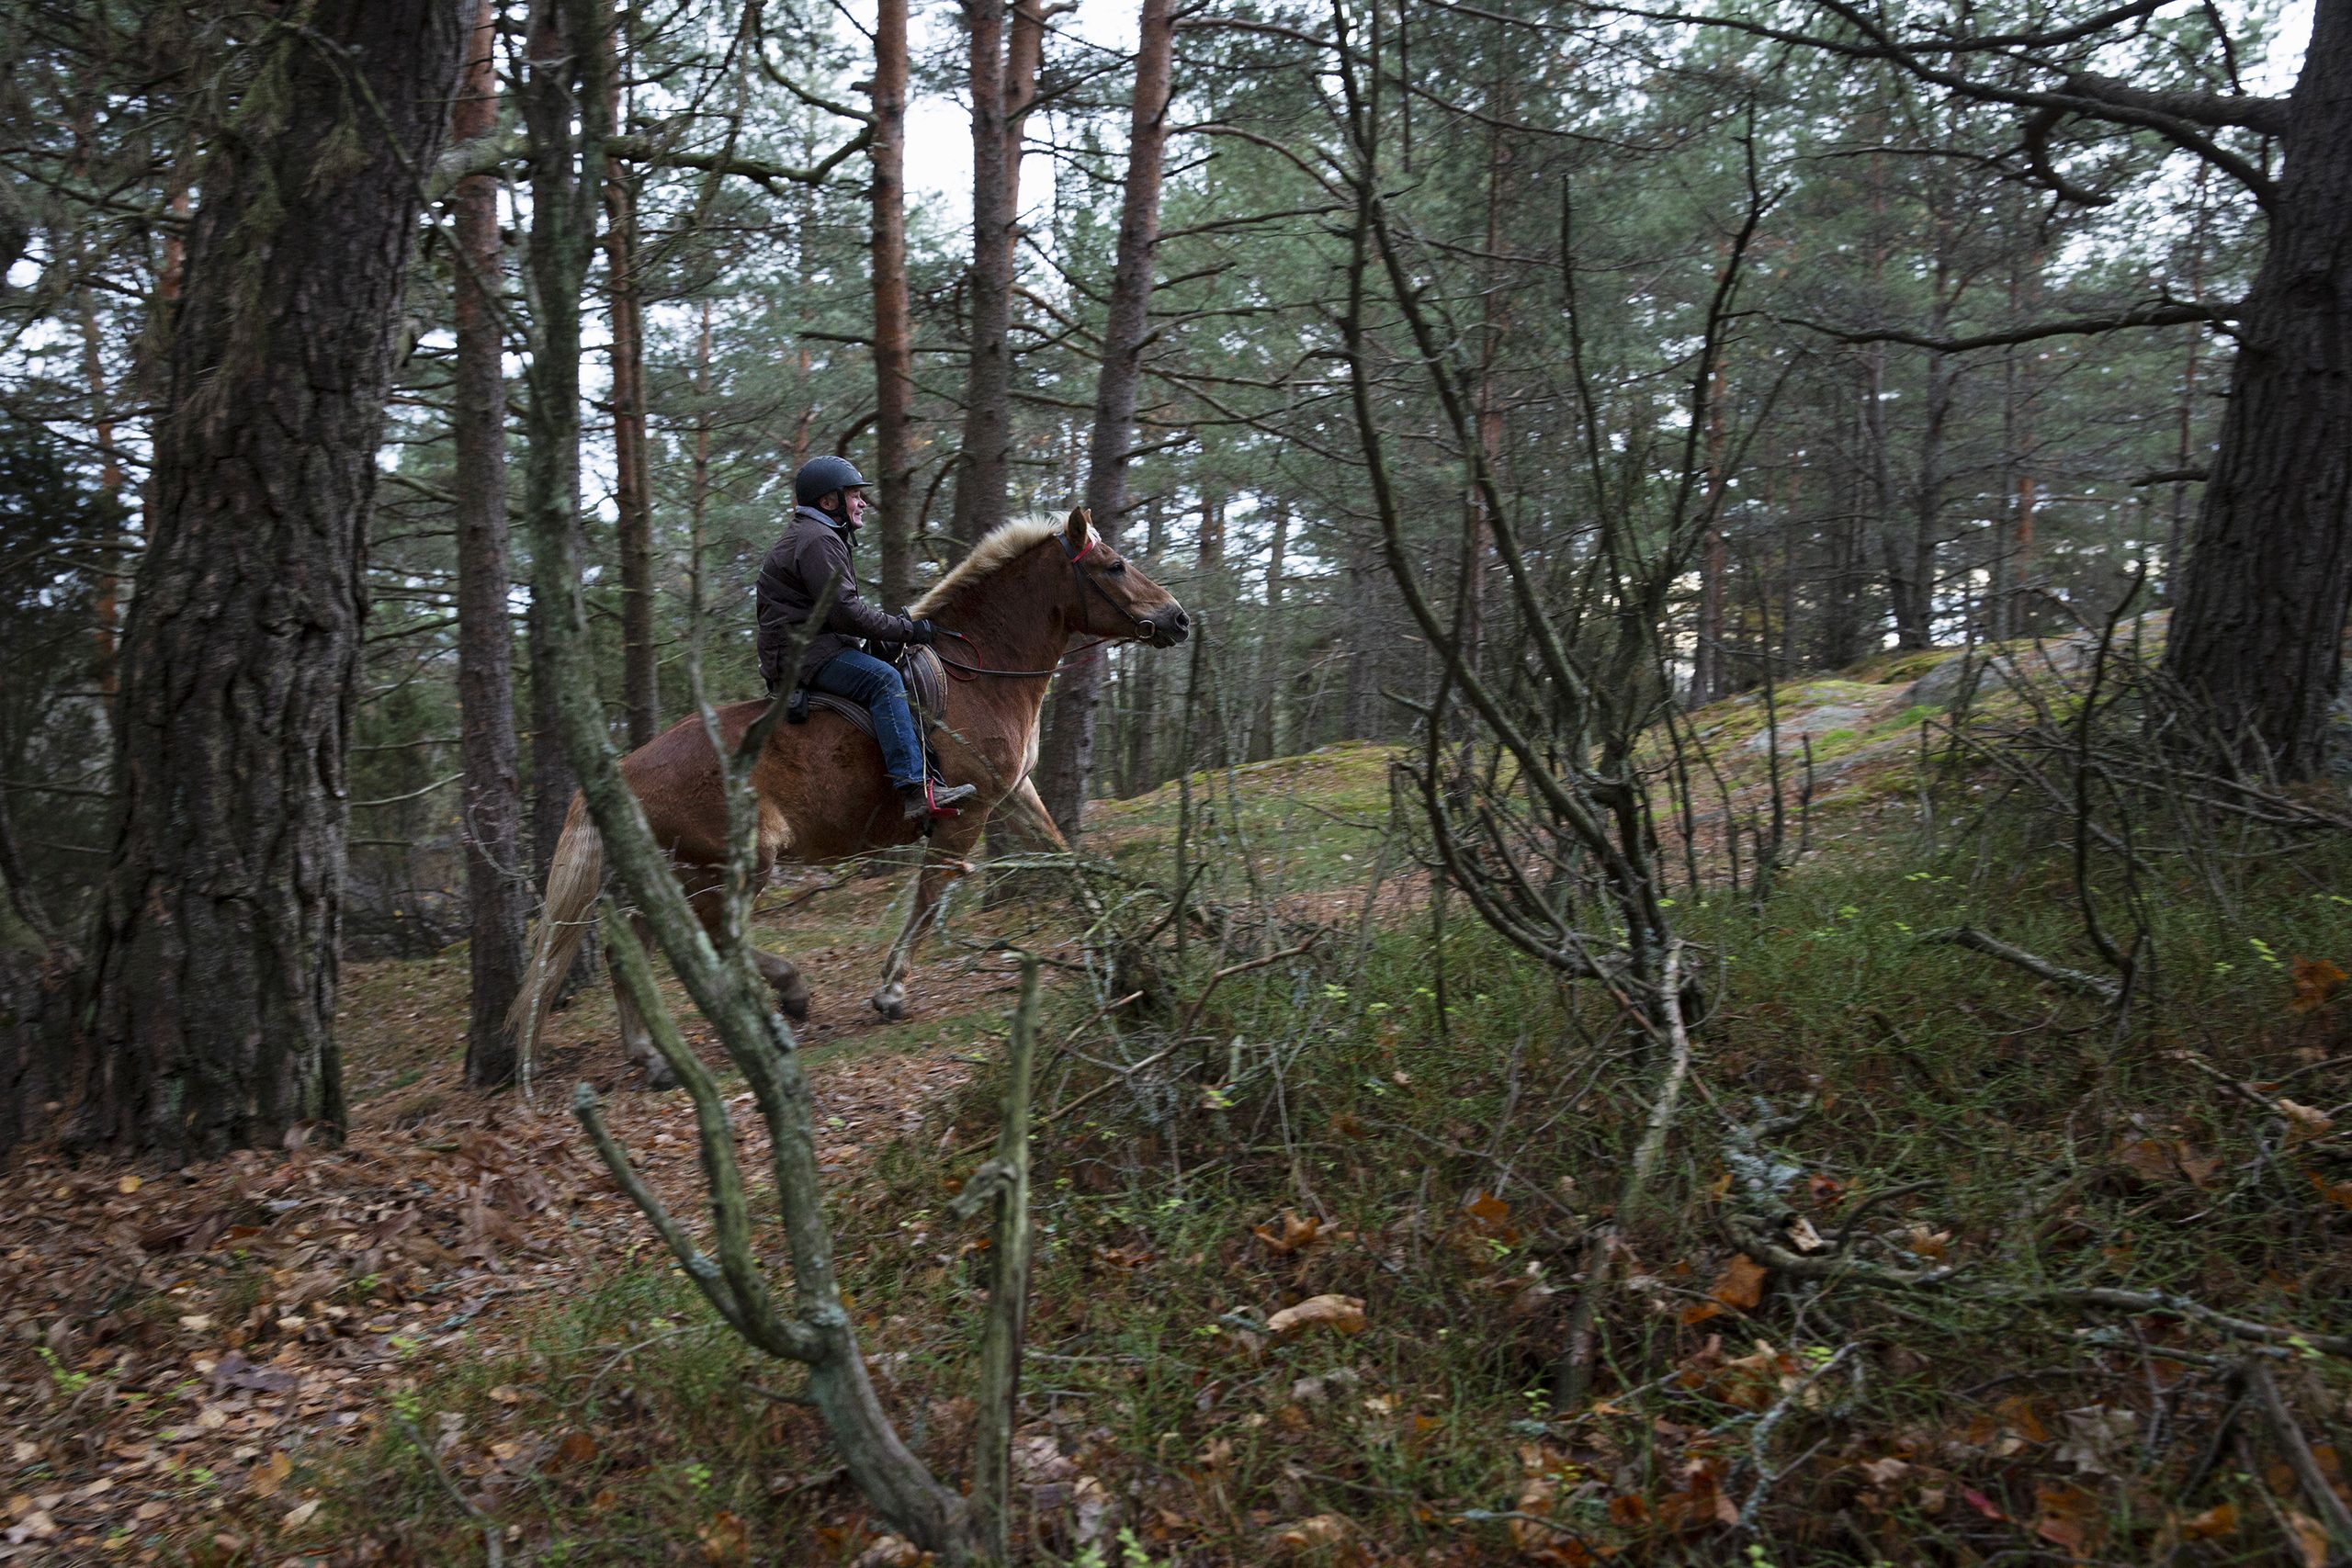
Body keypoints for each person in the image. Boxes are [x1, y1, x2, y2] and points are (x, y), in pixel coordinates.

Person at [756, 456, 977, 820]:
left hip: (811, 646)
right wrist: (909, 628)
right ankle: (916, 788)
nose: (862, 503)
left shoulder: (817, 535)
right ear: (829, 502)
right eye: (855, 495)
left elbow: (838, 612)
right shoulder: (817, 540)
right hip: (805, 655)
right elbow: (845, 612)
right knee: (883, 679)